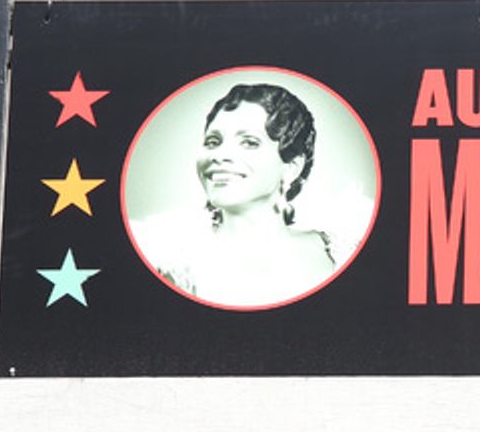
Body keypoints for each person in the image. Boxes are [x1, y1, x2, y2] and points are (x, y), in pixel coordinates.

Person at [132, 83, 339, 308]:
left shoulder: (338, 250)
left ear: (291, 167)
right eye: (213, 142)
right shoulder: (170, 261)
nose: (220, 155)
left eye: (249, 142)